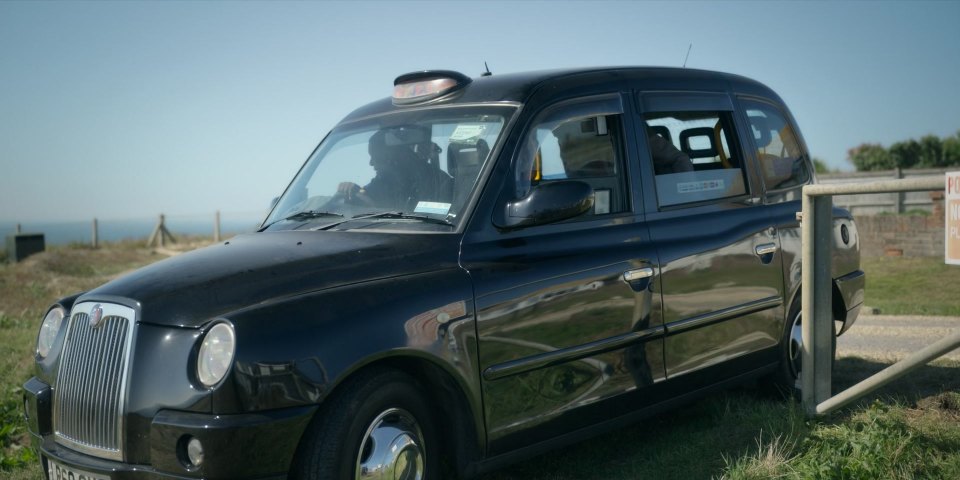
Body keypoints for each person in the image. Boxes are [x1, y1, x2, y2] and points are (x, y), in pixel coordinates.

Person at [337, 128, 452, 210]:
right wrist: (354, 191)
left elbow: (435, 222)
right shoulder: (383, 182)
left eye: (376, 157)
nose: (371, 163)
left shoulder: (439, 183)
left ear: (394, 157)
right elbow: (366, 194)